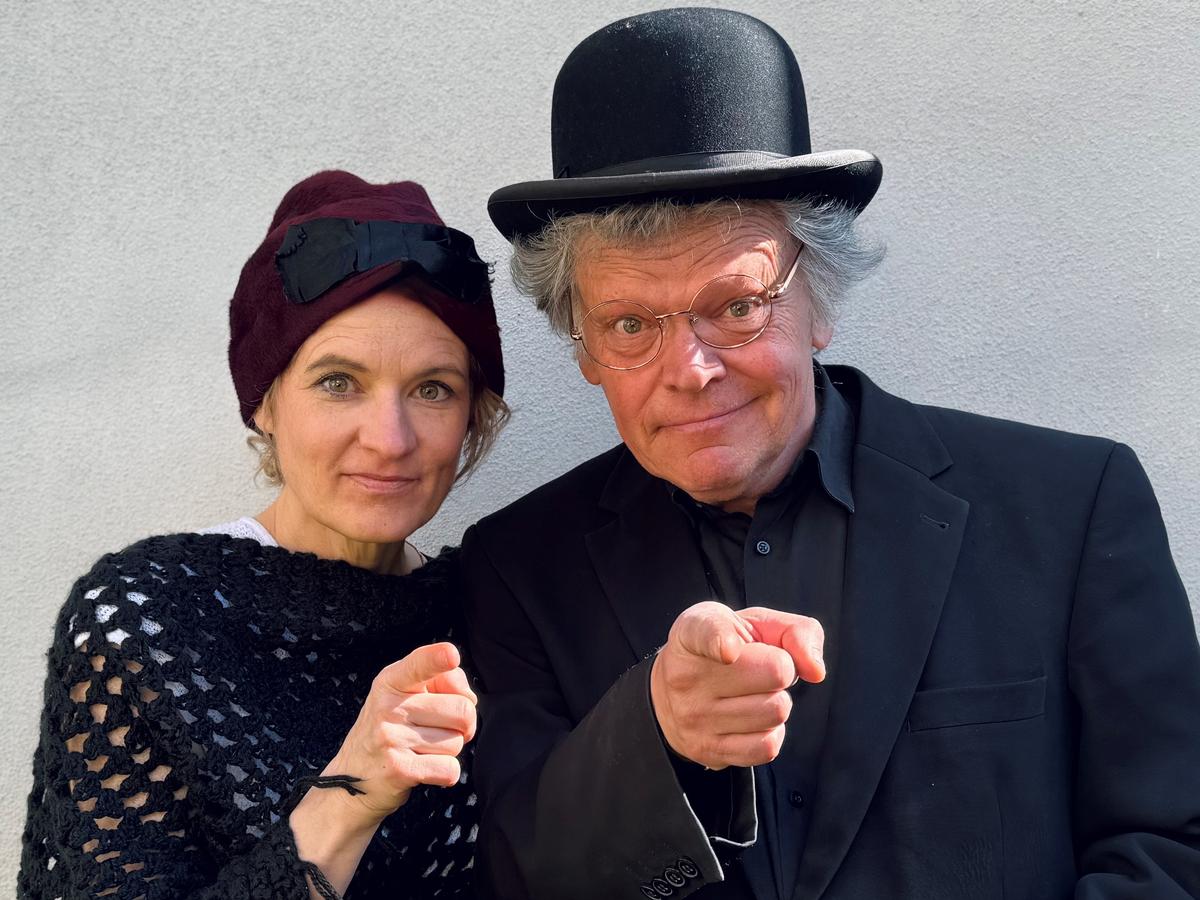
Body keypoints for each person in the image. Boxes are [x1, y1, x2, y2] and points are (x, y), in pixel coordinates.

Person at [461, 9, 1200, 900]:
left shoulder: (1072, 508)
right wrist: (655, 735)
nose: (690, 370)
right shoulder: (516, 569)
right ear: (582, 349)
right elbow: (515, 880)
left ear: (819, 301)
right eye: (628, 324)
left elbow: (1173, 847)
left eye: (737, 306)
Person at [19, 170, 508, 899]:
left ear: (471, 417)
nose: (390, 439)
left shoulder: (493, 610)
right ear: (265, 403)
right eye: (338, 381)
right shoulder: (149, 623)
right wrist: (349, 796)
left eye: (432, 388)